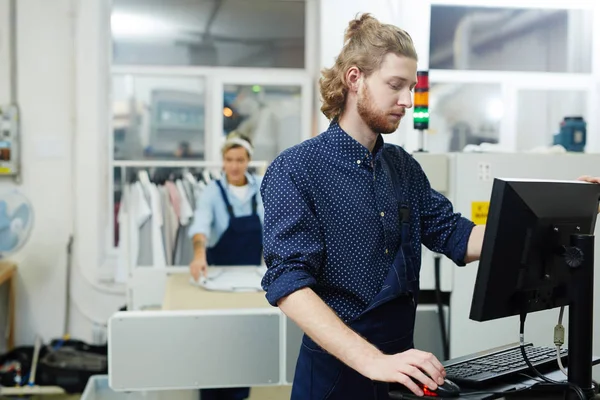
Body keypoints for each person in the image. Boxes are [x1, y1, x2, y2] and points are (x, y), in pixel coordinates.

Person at [259, 13, 600, 400]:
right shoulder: (296, 169)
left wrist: (555, 209)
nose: (407, 100)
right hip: (336, 375)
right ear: (354, 79)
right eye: (395, 85)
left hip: (403, 369)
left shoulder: (402, 167)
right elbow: (288, 284)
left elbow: (459, 236)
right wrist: (371, 360)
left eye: (411, 87)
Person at [188, 132, 263, 400]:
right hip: (218, 275)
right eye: (229, 160)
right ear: (222, 161)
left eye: (240, 160)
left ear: (248, 160)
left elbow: (274, 228)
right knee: (214, 337)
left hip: (252, 280)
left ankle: (239, 393)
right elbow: (200, 226)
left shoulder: (262, 188)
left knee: (243, 340)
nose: (234, 166)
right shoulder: (212, 191)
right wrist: (199, 254)